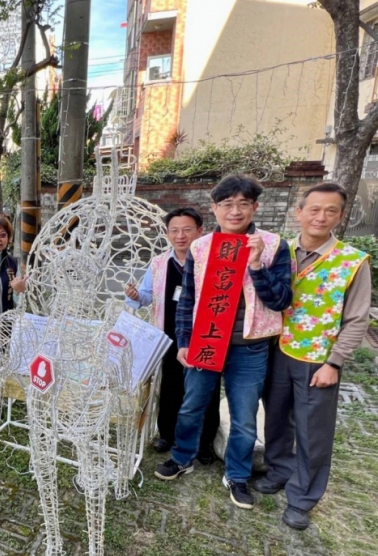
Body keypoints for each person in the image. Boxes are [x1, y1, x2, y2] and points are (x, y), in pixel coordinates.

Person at [154, 174, 293, 511]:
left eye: (243, 204)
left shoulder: (274, 244)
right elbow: (187, 299)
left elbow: (282, 300)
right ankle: (182, 456)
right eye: (227, 204)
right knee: (191, 406)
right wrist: (184, 342)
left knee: (244, 416)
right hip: (205, 341)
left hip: (250, 348)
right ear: (214, 208)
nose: (235, 211)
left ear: (255, 207)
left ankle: (238, 475)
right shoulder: (201, 248)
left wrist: (257, 264)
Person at [254, 183, 370, 530]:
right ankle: (279, 470)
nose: (321, 217)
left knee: (312, 431)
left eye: (330, 211)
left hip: (317, 359)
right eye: (314, 209)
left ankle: (303, 497)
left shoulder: (351, 262)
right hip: (277, 349)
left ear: (341, 215)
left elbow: (357, 318)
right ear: (299, 212)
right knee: (276, 418)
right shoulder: (279, 250)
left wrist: (335, 362)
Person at [125, 208, 220, 463]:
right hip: (167, 333)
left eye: (187, 230)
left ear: (200, 231)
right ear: (167, 234)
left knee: (206, 390)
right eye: (175, 231)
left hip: (205, 334)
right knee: (170, 386)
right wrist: (136, 296)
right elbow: (147, 295)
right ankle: (167, 433)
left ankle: (204, 442)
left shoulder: (211, 261)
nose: (181, 236)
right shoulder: (159, 263)